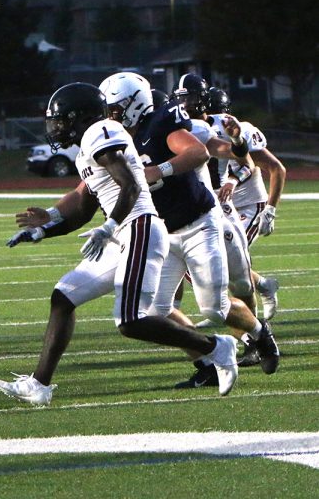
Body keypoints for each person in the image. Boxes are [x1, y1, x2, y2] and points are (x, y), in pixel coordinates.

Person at [0, 83, 240, 406]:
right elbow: (83, 210)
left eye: (61, 120)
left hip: (138, 227)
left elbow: (131, 187)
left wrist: (109, 226)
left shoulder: (101, 130)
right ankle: (40, 385)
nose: (56, 127)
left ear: (79, 117)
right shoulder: (87, 147)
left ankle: (216, 347)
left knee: (130, 321)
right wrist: (43, 230)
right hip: (123, 232)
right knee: (63, 297)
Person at [104, 73, 278, 384]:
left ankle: (259, 333)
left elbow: (206, 150)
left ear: (133, 104)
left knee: (214, 307)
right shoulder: (117, 137)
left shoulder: (160, 122)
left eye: (116, 109)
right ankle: (208, 362)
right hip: (165, 231)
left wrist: (162, 169)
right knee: (156, 311)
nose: (111, 116)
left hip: (200, 223)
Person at [207, 87, 286, 320]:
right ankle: (261, 285)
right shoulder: (193, 132)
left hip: (249, 205)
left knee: (224, 259)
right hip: (220, 208)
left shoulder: (240, 131)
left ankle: (246, 311)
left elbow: (276, 168)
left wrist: (270, 211)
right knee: (207, 259)